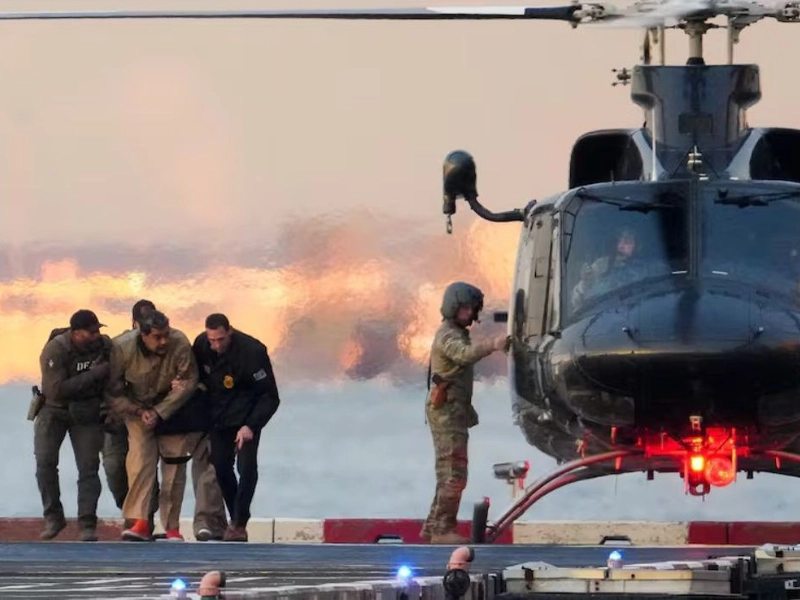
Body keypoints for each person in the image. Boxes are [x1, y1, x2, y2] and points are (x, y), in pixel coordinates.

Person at [102, 301, 227, 541]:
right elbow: (113, 391)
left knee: (174, 467)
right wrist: (139, 411)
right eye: (157, 337)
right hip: (137, 411)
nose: (163, 342)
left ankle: (172, 527)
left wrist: (160, 411)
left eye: (166, 335)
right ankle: (140, 522)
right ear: (143, 334)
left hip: (173, 410)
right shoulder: (122, 347)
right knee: (140, 463)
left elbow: (189, 380)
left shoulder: (179, 342)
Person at [421, 282, 509, 544]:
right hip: (447, 412)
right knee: (454, 474)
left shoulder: (454, 333)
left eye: (472, 309)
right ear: (453, 307)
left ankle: (433, 526)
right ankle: (442, 529)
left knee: (446, 473)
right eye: (465, 308)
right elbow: (463, 355)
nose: (470, 314)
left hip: (452, 411)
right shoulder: (449, 336)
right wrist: (494, 344)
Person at [192, 313, 281, 542]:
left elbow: (270, 396)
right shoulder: (201, 345)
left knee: (246, 468)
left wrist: (250, 425)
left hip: (247, 418)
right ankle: (236, 517)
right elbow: (196, 378)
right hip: (219, 418)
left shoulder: (253, 351)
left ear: (229, 331)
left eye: (221, 339)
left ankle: (239, 522)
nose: (216, 345)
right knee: (221, 467)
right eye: (212, 340)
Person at [35, 309, 112, 542]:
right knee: (45, 463)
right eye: (90, 332)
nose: (96, 335)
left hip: (86, 411)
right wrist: (94, 375)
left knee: (89, 467)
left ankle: (87, 523)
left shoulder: (104, 346)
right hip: (54, 410)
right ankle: (53, 517)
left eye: (97, 330)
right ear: (75, 333)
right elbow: (55, 390)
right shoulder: (56, 349)